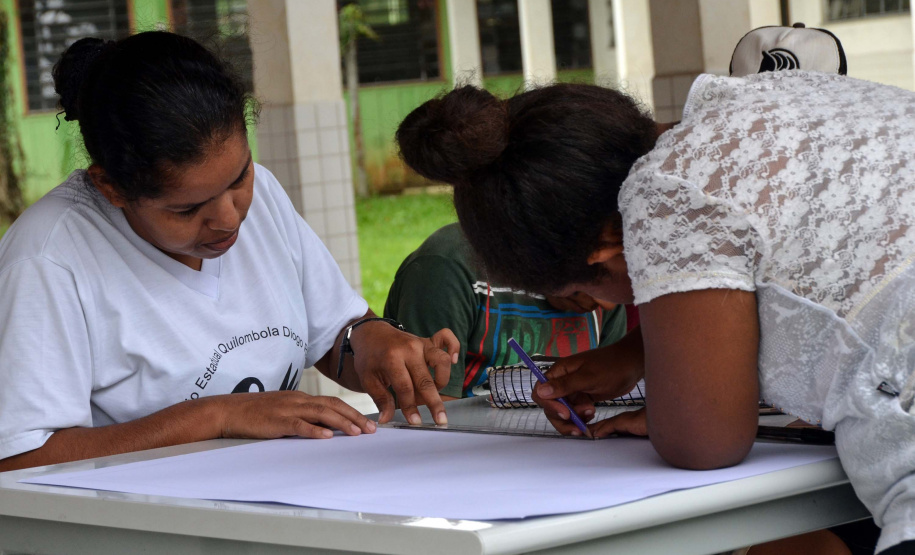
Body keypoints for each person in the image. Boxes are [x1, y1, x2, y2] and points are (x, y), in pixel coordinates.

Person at [394, 71, 915, 552]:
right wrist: (641, 352)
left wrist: (676, 408)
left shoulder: (662, 196)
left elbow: (703, 443)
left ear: (607, 247)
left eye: (582, 288)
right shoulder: (754, 100)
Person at [0, 32, 459, 473]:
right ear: (111, 187)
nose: (229, 217)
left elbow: (335, 332)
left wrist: (376, 345)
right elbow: (21, 458)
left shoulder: (264, 199)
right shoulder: (48, 259)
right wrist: (215, 417)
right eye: (188, 208)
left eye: (239, 177)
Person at [384, 222, 627, 400]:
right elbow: (429, 423)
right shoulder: (448, 268)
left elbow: (612, 401)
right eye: (594, 275)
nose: (606, 305)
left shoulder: (613, 283)